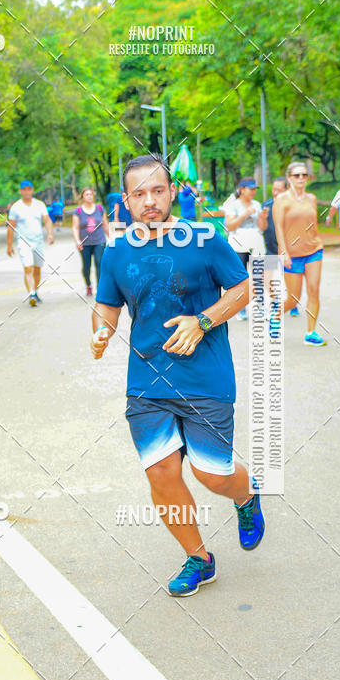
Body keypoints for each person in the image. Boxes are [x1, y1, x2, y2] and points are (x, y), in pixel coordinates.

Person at [90, 154, 264, 598]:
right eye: (138, 193)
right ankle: (199, 559)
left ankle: (245, 495)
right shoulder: (117, 250)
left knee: (212, 475)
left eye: (157, 191)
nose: (149, 201)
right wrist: (101, 330)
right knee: (162, 473)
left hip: (206, 378)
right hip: (146, 383)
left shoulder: (204, 238)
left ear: (171, 193)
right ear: (126, 200)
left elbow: (245, 287)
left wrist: (202, 321)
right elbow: (109, 302)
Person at [272, 161, 325, 346]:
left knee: (314, 291)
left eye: (304, 175)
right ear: (289, 178)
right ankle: (276, 315)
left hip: (314, 250)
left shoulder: (312, 198)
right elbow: (278, 228)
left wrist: (317, 241)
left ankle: (311, 333)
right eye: (297, 175)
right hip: (292, 254)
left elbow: (313, 224)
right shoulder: (282, 201)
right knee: (293, 299)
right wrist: (284, 252)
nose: (301, 178)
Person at [222, 178, 266, 321]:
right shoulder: (233, 205)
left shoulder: (257, 205)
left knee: (259, 276)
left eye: (255, 189)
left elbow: (262, 227)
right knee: (241, 278)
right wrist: (244, 214)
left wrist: (263, 218)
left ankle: (260, 306)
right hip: (238, 245)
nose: (253, 192)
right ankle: (240, 309)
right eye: (250, 189)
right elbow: (230, 226)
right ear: (242, 189)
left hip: (256, 243)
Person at [7, 180, 54, 306]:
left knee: (37, 269)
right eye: (24, 189)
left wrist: (50, 234)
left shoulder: (39, 205)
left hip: (38, 241)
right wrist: (9, 245)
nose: (27, 191)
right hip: (23, 242)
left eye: (29, 189)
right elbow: (11, 227)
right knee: (28, 268)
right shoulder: (16, 207)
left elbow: (47, 220)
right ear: (21, 191)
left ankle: (35, 291)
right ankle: (31, 294)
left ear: (32, 190)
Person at [258, 176, 299, 316]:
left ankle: (292, 304)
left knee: (290, 280)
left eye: (279, 190)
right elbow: (262, 228)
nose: (275, 192)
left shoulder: (292, 206)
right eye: (274, 189)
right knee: (266, 278)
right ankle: (276, 301)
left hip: (288, 250)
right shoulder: (266, 205)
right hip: (271, 249)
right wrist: (262, 218)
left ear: (287, 190)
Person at [72, 188, 109, 297]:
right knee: (86, 266)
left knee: (99, 263)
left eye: (91, 194)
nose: (89, 196)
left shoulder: (100, 208)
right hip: (85, 243)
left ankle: (100, 288)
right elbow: (75, 227)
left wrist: (111, 237)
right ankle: (88, 285)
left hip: (99, 241)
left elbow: (105, 224)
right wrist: (77, 241)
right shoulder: (78, 211)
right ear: (82, 197)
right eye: (87, 194)